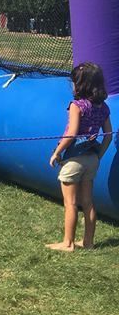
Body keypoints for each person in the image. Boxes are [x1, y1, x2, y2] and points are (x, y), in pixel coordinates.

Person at [47, 62, 112, 252]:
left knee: (70, 203)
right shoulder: (103, 107)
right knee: (88, 202)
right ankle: (89, 242)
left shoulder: (77, 106)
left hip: (74, 159)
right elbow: (107, 134)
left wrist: (57, 152)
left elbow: (72, 133)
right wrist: (99, 154)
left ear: (81, 85)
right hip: (92, 158)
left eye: (74, 82)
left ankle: (68, 243)